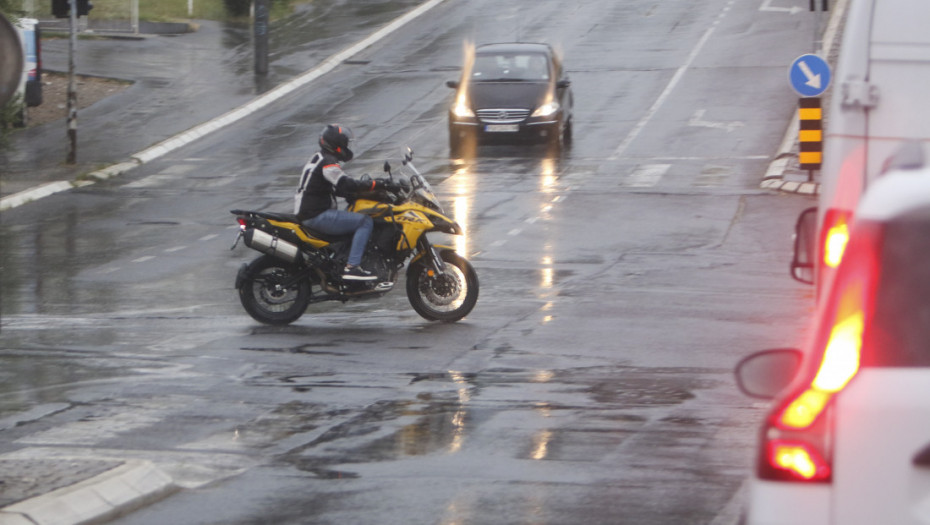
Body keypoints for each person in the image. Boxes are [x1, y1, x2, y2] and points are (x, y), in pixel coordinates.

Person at [294, 124, 394, 281]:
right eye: (345, 143)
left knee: (353, 218)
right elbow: (346, 184)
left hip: (311, 212)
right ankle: (352, 267)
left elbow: (340, 189)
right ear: (336, 145)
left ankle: (346, 260)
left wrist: (364, 191)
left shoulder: (320, 158)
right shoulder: (328, 162)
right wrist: (378, 184)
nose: (347, 147)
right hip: (316, 215)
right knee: (365, 222)